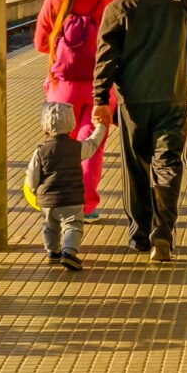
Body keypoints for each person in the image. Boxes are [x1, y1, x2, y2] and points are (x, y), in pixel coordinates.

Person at [93, 0, 187, 262]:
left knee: (137, 169)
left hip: (134, 103)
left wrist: (101, 97)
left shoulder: (119, 8)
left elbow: (105, 59)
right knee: (168, 165)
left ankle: (141, 236)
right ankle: (163, 234)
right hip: (173, 99)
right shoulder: (181, 2)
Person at [34, 0, 113, 217]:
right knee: (91, 146)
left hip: (60, 88)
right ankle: (87, 207)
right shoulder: (108, 3)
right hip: (98, 87)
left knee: (59, 147)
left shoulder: (55, 2)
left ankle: (58, 203)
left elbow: (41, 44)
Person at [24, 100, 107, 272]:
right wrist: (100, 127)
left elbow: (32, 175)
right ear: (71, 124)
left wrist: (34, 190)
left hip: (48, 200)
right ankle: (69, 253)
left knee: (49, 226)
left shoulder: (40, 151)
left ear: (45, 126)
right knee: (73, 225)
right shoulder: (76, 147)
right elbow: (91, 145)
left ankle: (53, 252)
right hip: (72, 198)